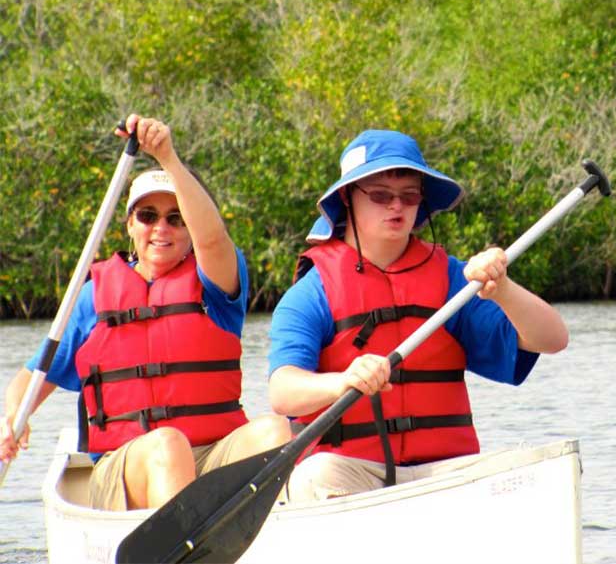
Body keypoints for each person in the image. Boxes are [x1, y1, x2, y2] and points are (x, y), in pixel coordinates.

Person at [0, 114, 291, 511]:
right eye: (148, 216)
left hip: (211, 455)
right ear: (129, 226)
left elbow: (213, 237)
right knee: (168, 444)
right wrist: (13, 418)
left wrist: (168, 158)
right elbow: (32, 377)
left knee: (275, 430)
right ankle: (181, 546)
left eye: (176, 219)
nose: (162, 228)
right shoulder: (92, 298)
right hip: (129, 465)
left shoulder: (216, 284)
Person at [268, 129, 569, 501]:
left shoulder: (453, 280)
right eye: (380, 195)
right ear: (348, 198)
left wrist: (503, 289)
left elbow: (554, 339)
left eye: (409, 196)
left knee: (531, 468)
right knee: (314, 475)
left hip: (443, 470)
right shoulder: (311, 293)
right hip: (352, 471)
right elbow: (282, 392)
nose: (397, 207)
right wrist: (343, 381)